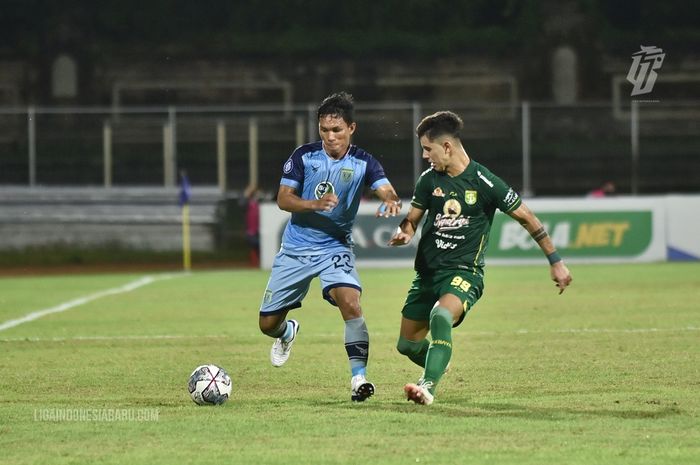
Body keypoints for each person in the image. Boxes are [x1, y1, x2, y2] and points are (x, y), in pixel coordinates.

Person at [388, 111, 573, 405]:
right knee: (407, 345)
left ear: (446, 147)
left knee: (441, 315)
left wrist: (556, 260)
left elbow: (528, 218)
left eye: (427, 148)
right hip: (426, 275)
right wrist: (405, 233)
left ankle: (428, 386)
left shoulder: (486, 182)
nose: (425, 155)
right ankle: (439, 358)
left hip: (464, 272)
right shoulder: (428, 181)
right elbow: (411, 219)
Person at [258, 91, 402, 402]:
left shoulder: (364, 162)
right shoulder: (303, 156)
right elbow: (283, 199)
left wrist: (390, 201)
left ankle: (358, 378)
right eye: (324, 130)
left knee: (351, 304)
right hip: (296, 248)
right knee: (267, 324)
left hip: (335, 248)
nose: (330, 137)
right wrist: (313, 203)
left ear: (352, 128)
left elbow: (385, 188)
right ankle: (287, 332)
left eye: (337, 130)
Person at [243, 185, 261, 267]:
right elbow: (242, 203)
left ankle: (258, 262)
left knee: (259, 246)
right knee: (254, 246)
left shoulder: (258, 202)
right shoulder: (247, 203)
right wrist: (246, 194)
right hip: (251, 230)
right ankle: (254, 263)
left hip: (259, 229)